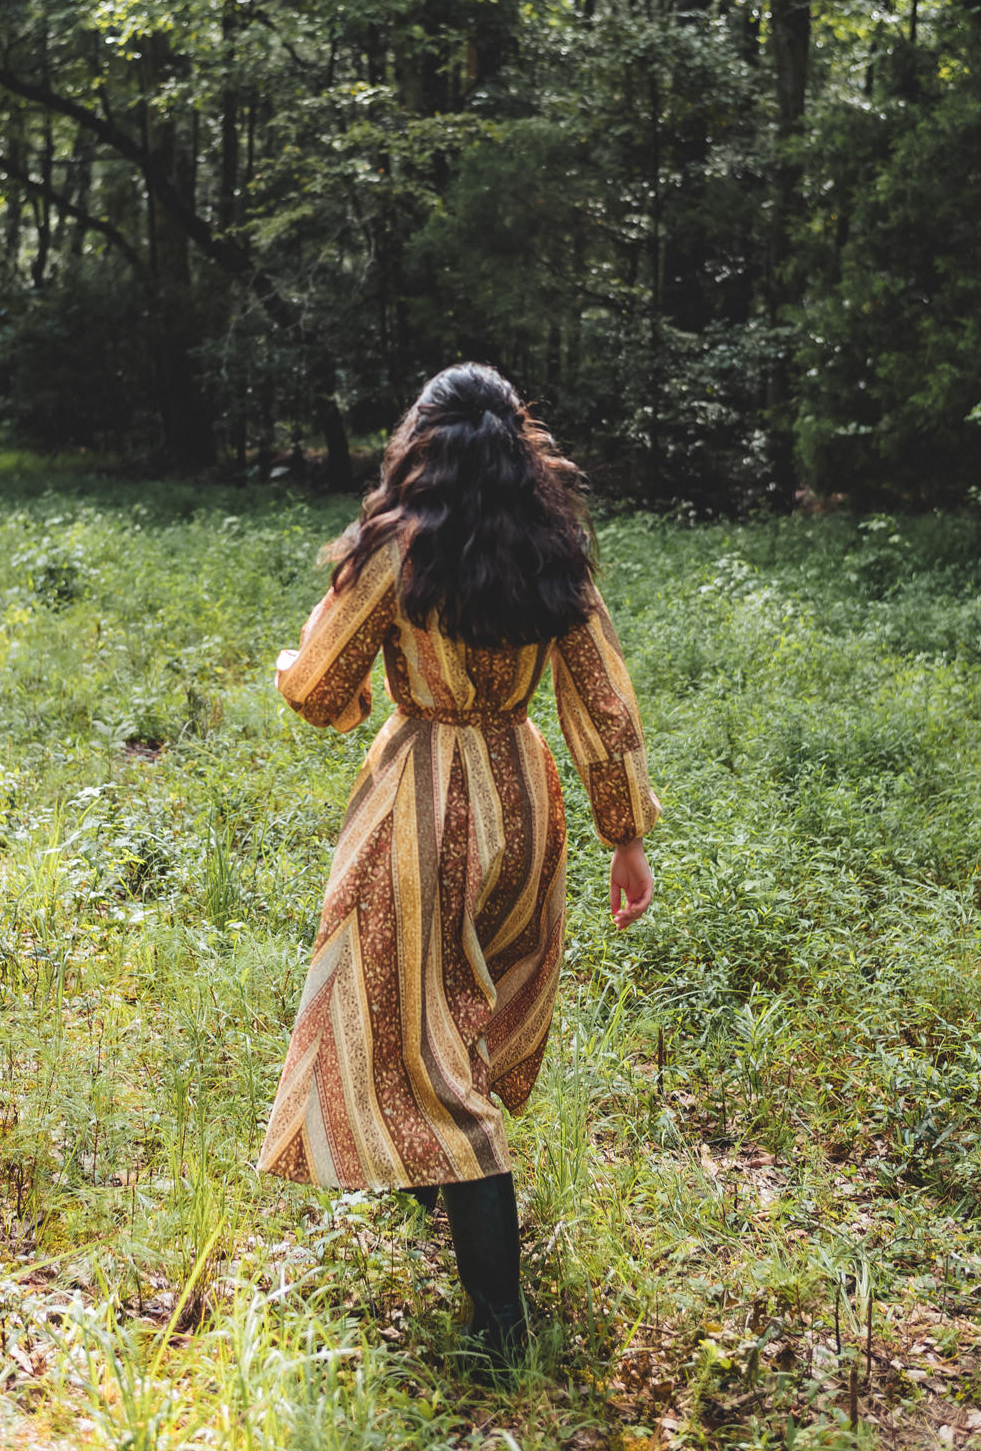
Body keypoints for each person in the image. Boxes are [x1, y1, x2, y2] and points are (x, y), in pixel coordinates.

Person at [257, 363, 659, 1368]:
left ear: (421, 442)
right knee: (461, 1021)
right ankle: (438, 1204)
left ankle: (501, 1331)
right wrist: (626, 838)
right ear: (519, 448)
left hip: (424, 801)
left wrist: (291, 669)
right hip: (523, 800)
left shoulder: (398, 550)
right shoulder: (551, 548)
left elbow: (316, 689)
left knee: (423, 1045)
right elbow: (601, 702)